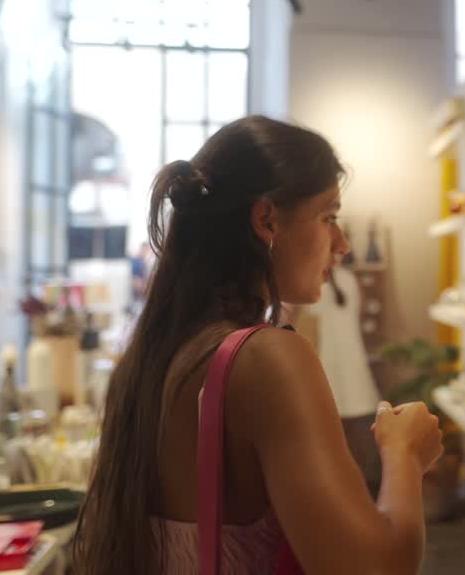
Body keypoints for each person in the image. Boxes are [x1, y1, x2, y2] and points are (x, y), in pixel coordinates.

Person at [75, 116, 443, 574]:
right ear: (267, 219)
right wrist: (405, 456)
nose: (343, 243)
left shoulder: (155, 356)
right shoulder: (266, 359)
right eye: (329, 217)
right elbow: (376, 568)